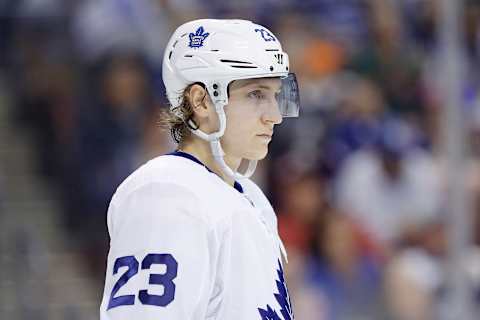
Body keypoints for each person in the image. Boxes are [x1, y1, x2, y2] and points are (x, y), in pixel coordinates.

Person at [100, 19, 300, 319]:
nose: (274, 116)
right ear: (201, 100)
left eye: (275, 95)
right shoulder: (166, 193)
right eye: (256, 94)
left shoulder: (251, 197)